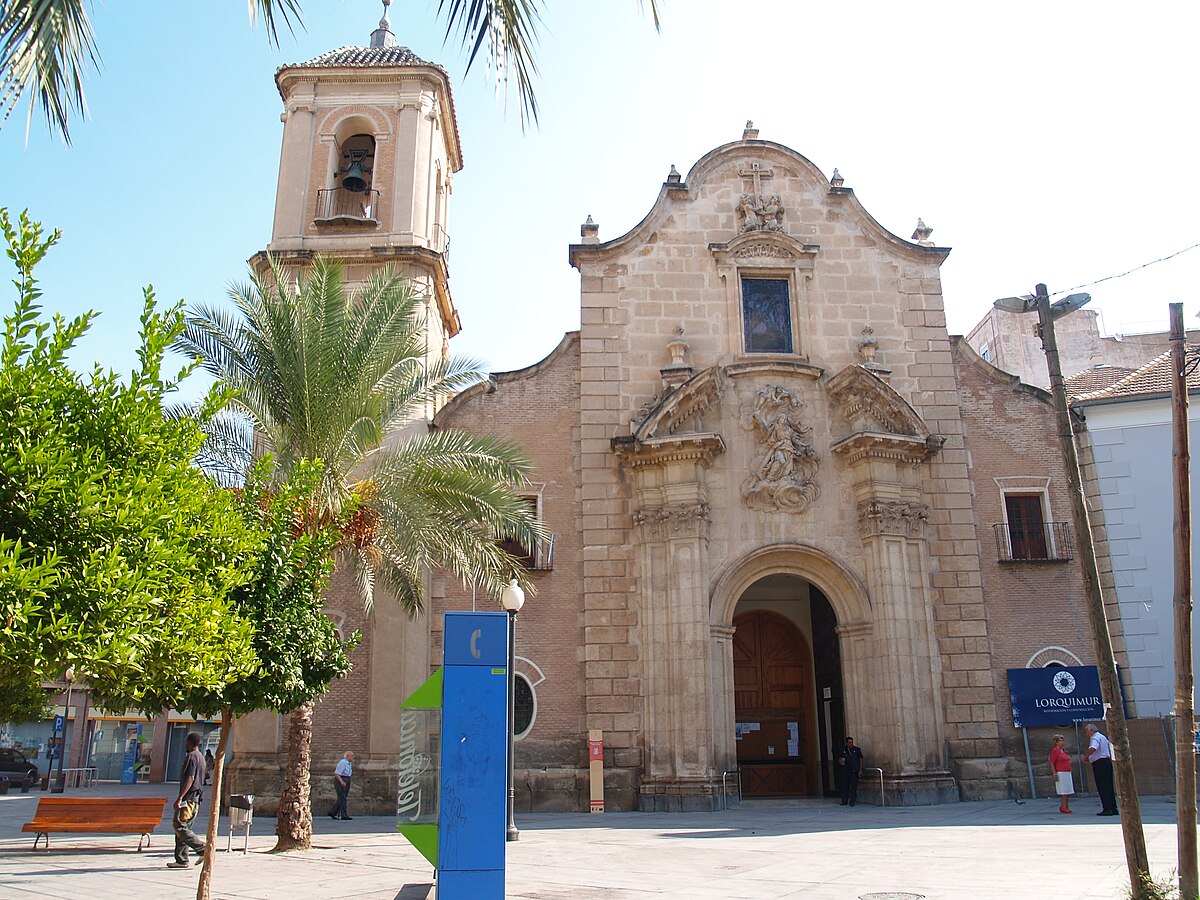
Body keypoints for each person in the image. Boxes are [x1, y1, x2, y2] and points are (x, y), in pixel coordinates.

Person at [167, 732, 206, 868]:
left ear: (190, 743)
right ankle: (181, 859)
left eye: (186, 742)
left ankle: (202, 848)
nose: (185, 744)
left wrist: (180, 797)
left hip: (189, 798)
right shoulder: (201, 757)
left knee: (179, 825)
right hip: (196, 799)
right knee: (184, 828)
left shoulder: (191, 757)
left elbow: (190, 778)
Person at [1085, 723, 1118, 816]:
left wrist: (1087, 756)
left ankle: (1107, 808)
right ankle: (1113, 807)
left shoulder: (1095, 738)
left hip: (1100, 763)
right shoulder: (1102, 737)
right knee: (1109, 786)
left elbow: (1093, 748)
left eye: (1087, 731)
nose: (1086, 734)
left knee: (1102, 786)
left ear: (1091, 730)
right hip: (1106, 762)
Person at [1049, 734, 1074, 813]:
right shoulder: (1055, 751)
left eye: (1063, 740)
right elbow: (1052, 762)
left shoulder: (1063, 750)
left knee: (1067, 790)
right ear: (1056, 742)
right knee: (1064, 791)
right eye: (1060, 741)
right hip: (1061, 772)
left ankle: (1065, 806)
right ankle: (1064, 806)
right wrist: (1054, 773)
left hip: (1067, 772)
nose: (1062, 742)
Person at [837, 736, 864, 806]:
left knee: (853, 786)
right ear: (847, 743)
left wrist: (860, 770)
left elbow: (860, 759)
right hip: (846, 771)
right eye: (849, 742)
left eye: (851, 742)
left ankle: (852, 801)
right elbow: (840, 759)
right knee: (845, 786)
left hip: (854, 771)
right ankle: (844, 800)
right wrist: (841, 762)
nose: (851, 744)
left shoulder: (857, 750)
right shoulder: (843, 750)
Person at [329, 750, 354, 821]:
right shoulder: (342, 762)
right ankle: (344, 815)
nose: (353, 757)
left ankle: (332, 812)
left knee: (342, 798)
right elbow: (337, 773)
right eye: (352, 755)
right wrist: (341, 782)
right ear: (347, 756)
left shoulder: (349, 763)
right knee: (342, 798)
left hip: (347, 779)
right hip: (341, 779)